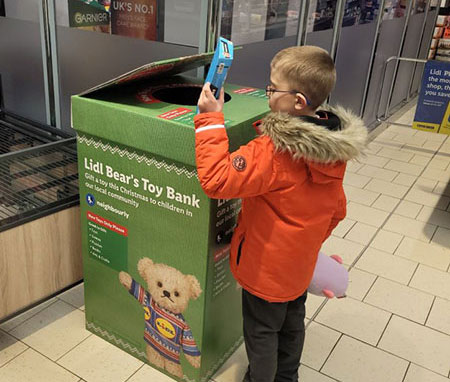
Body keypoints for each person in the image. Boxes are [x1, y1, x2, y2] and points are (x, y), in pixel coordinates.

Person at [194, 45, 367, 382]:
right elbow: (337, 210)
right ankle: (288, 377)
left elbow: (216, 179)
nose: (268, 92)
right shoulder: (332, 145)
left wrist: (208, 119)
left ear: (298, 101)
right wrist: (305, 244)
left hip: (264, 272)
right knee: (290, 326)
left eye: (273, 88)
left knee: (261, 334)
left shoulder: (273, 151)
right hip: (298, 269)